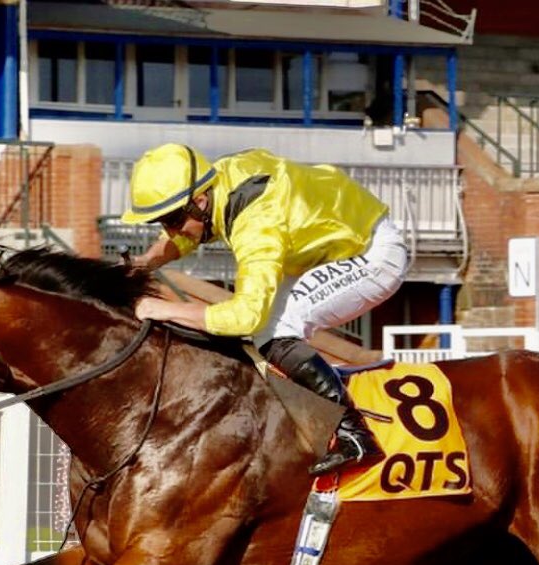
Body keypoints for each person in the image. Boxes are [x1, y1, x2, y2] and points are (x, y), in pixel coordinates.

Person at [122, 144, 410, 475]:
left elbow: (245, 316)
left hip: (372, 254)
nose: (169, 231)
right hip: (333, 245)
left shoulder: (256, 223)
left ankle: (353, 434)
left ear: (199, 202)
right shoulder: (220, 182)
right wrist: (146, 262)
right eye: (161, 221)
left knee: (275, 328)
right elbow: (189, 234)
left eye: (171, 220)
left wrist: (161, 309)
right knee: (266, 332)